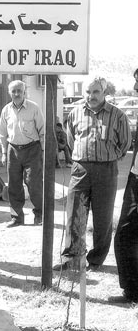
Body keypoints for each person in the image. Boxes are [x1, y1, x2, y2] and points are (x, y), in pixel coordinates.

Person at [54, 77, 131, 272]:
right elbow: (71, 140)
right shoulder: (75, 113)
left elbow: (125, 144)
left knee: (102, 218)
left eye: (96, 92)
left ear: (104, 93)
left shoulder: (118, 115)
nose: (91, 96)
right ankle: (71, 257)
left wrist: (107, 157)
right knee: (74, 213)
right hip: (80, 169)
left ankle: (96, 260)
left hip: (106, 170)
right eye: (88, 92)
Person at [0, 80, 44, 227]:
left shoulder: (34, 108)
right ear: (9, 93)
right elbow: (2, 134)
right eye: (14, 91)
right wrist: (4, 153)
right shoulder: (6, 110)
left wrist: (43, 151)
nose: (17, 94)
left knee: (34, 184)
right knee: (14, 185)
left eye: (20, 91)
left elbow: (43, 130)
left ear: (25, 92)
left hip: (32, 150)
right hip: (13, 150)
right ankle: (17, 218)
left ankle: (40, 215)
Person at [109, 71, 138, 303]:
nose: (135, 88)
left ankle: (133, 291)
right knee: (125, 235)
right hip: (135, 179)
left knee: (125, 236)